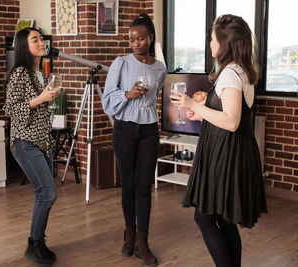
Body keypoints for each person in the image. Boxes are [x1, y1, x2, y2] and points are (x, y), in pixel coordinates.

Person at [171, 14, 267, 267]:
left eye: (213, 40)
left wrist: (193, 105)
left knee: (204, 218)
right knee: (223, 219)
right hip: (232, 151)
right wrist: (202, 114)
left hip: (226, 155)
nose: (211, 45)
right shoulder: (240, 71)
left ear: (225, 44)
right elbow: (230, 118)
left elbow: (232, 121)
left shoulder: (230, 75)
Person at [102, 13, 167, 267]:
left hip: (149, 129)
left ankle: (142, 241)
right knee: (128, 184)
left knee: (144, 187)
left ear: (150, 38)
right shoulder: (121, 63)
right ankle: (129, 233)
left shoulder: (160, 68)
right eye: (132, 39)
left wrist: (143, 97)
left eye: (141, 38)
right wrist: (129, 94)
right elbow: (108, 99)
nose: (136, 43)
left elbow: (153, 98)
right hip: (125, 128)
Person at [3, 27, 59, 266]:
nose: (41, 42)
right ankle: (34, 243)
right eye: (35, 39)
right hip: (24, 142)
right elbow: (10, 110)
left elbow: (40, 107)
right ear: (25, 47)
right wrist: (40, 100)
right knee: (48, 193)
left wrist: (47, 101)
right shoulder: (19, 74)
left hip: (43, 141)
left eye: (41, 38)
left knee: (43, 193)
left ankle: (37, 242)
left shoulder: (42, 74)